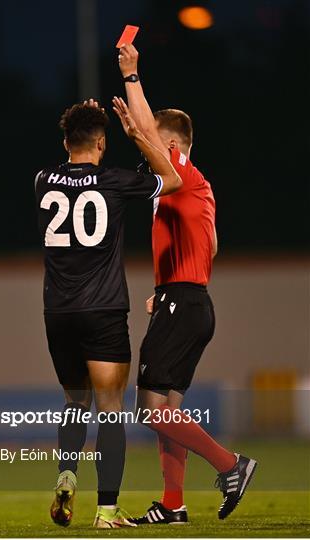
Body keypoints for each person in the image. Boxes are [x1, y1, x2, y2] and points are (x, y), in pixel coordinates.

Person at [118, 44, 257, 524]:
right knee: (169, 416)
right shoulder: (200, 185)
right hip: (191, 300)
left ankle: (230, 464)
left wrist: (131, 77)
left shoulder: (179, 172)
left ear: (171, 145)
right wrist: (173, 277)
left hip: (183, 303)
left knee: (150, 409)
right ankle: (173, 504)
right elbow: (213, 245)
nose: (145, 143)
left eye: (155, 140)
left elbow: (151, 142)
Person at [35, 97, 182, 529]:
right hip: (103, 309)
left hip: (58, 312)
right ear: (102, 143)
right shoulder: (114, 181)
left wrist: (87, 125)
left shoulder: (43, 179)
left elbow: (73, 170)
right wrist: (138, 134)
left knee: (74, 402)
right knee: (111, 408)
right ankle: (106, 512)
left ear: (66, 141)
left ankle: (66, 473)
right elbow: (170, 179)